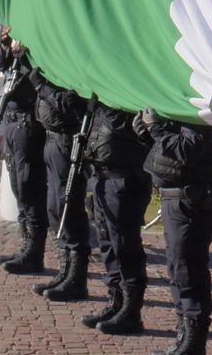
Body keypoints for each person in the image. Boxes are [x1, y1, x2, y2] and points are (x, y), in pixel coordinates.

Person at [143, 99, 212, 355]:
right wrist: (148, 131)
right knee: (178, 269)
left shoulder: (201, 111)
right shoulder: (189, 109)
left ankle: (193, 341)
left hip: (190, 201)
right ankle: (184, 336)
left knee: (188, 271)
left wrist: (156, 129)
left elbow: (187, 151)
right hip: (180, 199)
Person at [79, 97, 154, 333]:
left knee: (124, 246)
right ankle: (116, 302)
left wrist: (103, 107)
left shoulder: (127, 94)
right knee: (108, 245)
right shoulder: (106, 98)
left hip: (125, 179)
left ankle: (131, 312)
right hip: (103, 176)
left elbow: (127, 124)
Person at [0, 32, 47, 271]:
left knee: (29, 185)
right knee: (18, 186)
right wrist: (5, 44)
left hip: (29, 120)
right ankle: (26, 244)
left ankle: (34, 251)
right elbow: (1, 64)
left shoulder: (39, 40)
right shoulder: (14, 42)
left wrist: (22, 55)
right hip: (12, 120)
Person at [34, 76, 93, 301]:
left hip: (68, 140)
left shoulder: (71, 72)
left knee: (68, 207)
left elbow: (69, 106)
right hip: (53, 138)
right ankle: (65, 271)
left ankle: (76, 278)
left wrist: (42, 86)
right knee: (55, 208)